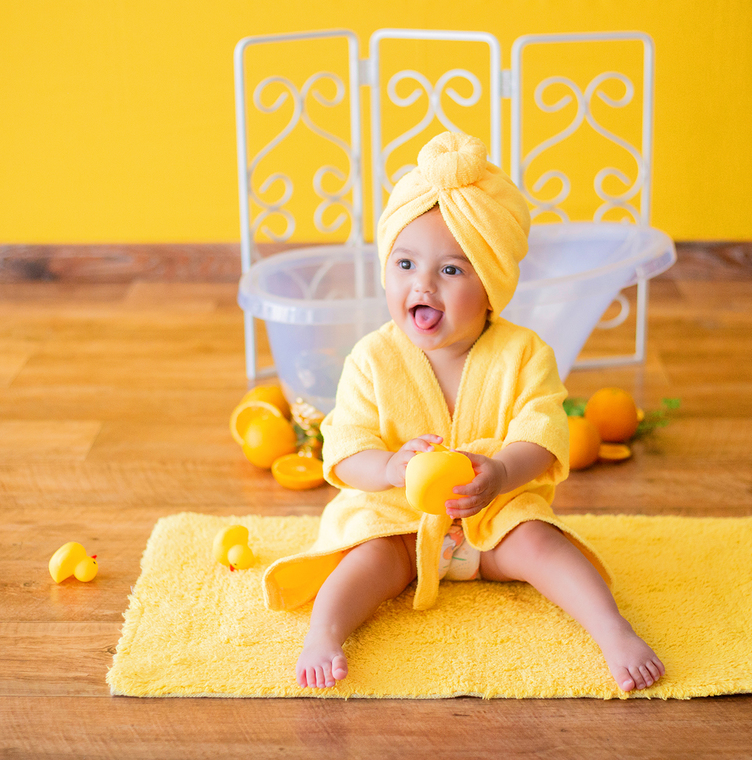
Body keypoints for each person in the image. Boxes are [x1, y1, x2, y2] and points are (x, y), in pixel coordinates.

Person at [260, 131, 664, 693]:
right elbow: (345, 446)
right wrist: (389, 468)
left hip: (493, 517)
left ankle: (613, 631)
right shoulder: (372, 359)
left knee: (542, 543)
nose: (422, 284)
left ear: (491, 285)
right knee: (364, 559)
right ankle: (324, 635)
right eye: (405, 263)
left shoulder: (524, 354)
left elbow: (543, 432)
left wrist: (500, 473)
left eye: (451, 271)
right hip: (400, 522)